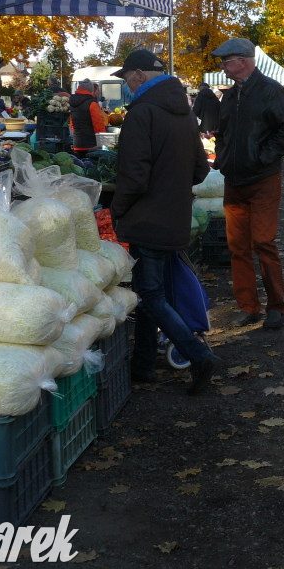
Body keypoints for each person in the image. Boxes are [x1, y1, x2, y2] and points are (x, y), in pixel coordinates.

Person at [110, 49, 218, 394]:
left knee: (151, 295)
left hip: (147, 220)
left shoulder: (142, 113)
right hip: (174, 218)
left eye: (127, 79)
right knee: (148, 294)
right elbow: (200, 170)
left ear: (139, 75)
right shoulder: (184, 112)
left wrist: (117, 209)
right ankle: (143, 365)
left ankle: (199, 355)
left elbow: (134, 176)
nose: (127, 86)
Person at [211, 37, 284, 329]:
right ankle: (248, 306)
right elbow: (221, 133)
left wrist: (263, 158)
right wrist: (222, 158)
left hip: (263, 180)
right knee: (237, 247)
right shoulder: (229, 97)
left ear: (243, 61)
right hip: (234, 180)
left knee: (263, 242)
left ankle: (277, 307)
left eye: (226, 62)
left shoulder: (270, 89)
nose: (223, 67)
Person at [69, 78, 107, 158]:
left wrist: (76, 136)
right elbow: (98, 125)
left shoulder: (73, 103)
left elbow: (72, 123)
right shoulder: (92, 103)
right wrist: (102, 142)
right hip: (91, 145)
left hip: (77, 144)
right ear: (91, 90)